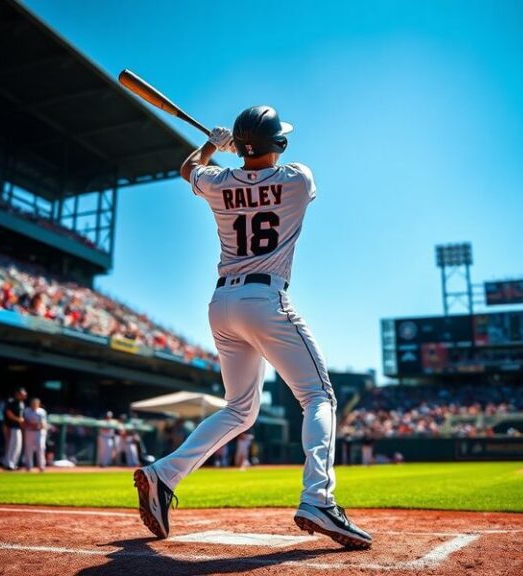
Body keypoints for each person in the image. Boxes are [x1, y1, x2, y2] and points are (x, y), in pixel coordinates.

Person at [134, 106, 372, 549]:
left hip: (221, 303)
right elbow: (263, 170)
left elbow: (189, 169)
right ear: (276, 143)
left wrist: (212, 145)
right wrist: (235, 149)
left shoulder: (218, 182)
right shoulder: (298, 178)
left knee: (240, 409)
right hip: (266, 299)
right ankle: (318, 497)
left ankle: (163, 473)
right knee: (318, 396)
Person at [3, 388, 27, 470]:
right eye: (22, 394)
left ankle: (13, 463)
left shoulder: (22, 403)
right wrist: (18, 419)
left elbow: (22, 417)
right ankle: (9, 464)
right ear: (17, 394)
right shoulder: (11, 402)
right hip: (11, 426)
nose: (24, 395)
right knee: (12, 445)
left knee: (18, 446)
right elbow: (8, 413)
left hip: (18, 427)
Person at [23, 398, 47, 472]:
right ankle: (29, 466)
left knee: (40, 448)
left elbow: (43, 424)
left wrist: (35, 424)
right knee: (28, 449)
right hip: (29, 431)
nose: (34, 404)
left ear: (38, 404)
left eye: (36, 403)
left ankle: (41, 466)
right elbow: (24, 421)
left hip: (39, 432)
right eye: (33, 403)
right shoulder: (27, 411)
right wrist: (31, 424)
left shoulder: (42, 411)